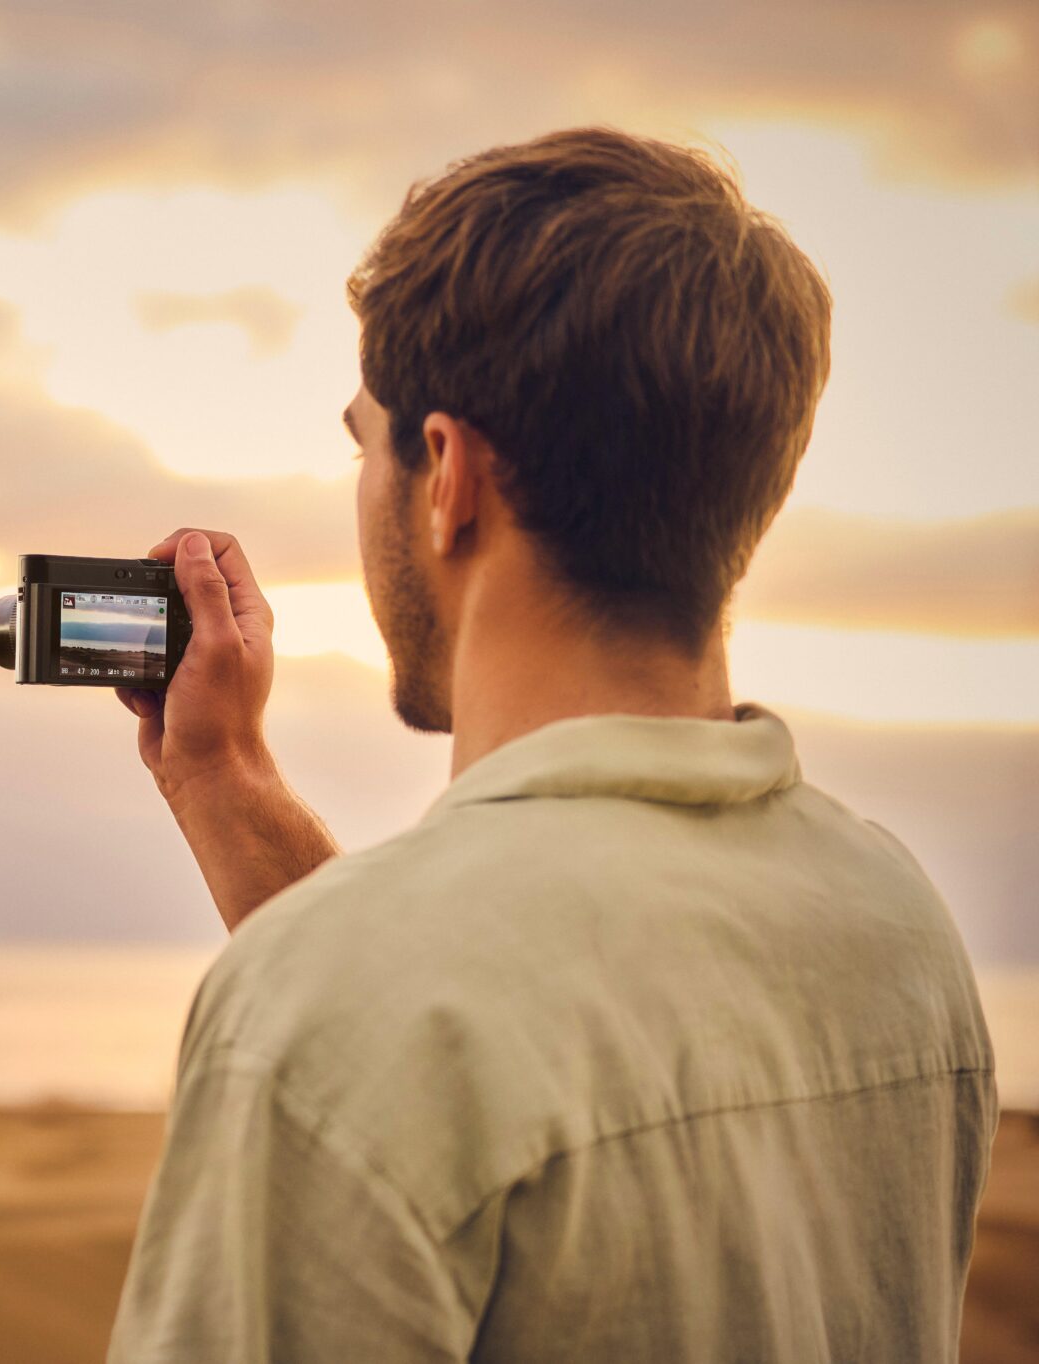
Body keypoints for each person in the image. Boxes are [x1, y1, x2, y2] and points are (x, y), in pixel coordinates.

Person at [105, 126, 998, 1362]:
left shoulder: (331, 1015)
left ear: (445, 474)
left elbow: (408, 1015)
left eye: (363, 441)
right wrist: (223, 777)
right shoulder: (894, 924)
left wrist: (298, 961)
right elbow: (487, 1002)